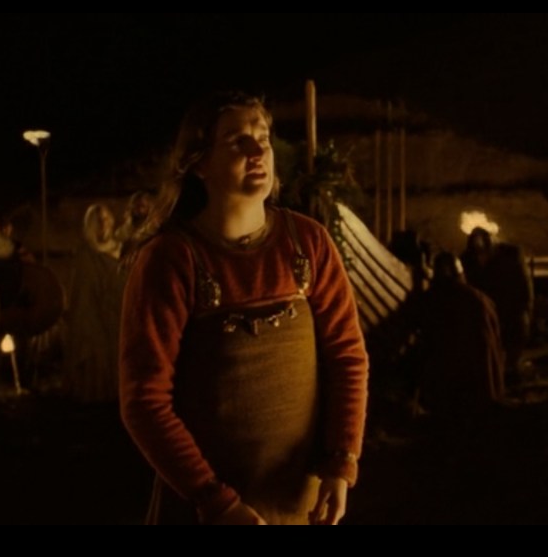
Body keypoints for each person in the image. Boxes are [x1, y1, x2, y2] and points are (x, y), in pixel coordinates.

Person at [119, 91, 369, 526]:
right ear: (199, 163)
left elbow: (347, 358)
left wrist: (340, 464)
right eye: (237, 141)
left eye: (263, 138)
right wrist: (215, 501)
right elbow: (145, 400)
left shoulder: (307, 243)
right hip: (208, 510)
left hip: (297, 504)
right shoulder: (172, 260)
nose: (258, 151)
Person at [410, 251, 505, 428]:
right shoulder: (482, 299)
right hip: (485, 379)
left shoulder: (437, 299)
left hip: (457, 379)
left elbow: (421, 323)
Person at [62, 203, 124, 404]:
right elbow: (81, 294)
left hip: (116, 314)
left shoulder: (121, 250)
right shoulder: (86, 256)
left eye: (105, 220)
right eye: (98, 222)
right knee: (95, 355)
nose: (103, 225)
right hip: (91, 318)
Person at [460, 227, 534, 384]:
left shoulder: (510, 255)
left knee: (512, 342)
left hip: (509, 306)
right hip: (484, 309)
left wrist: (526, 306)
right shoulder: (468, 259)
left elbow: (523, 283)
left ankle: (511, 373)